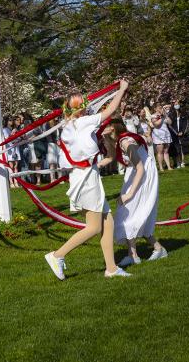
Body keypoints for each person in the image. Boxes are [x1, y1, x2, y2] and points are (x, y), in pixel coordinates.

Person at [44, 80, 130, 280]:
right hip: (86, 178)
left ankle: (111, 268)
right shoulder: (82, 122)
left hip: (86, 175)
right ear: (79, 108)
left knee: (107, 223)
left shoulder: (68, 127)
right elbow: (111, 110)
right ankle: (58, 255)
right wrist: (122, 89)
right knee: (94, 227)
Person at [109, 120, 167, 266]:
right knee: (127, 212)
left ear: (111, 128)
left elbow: (140, 167)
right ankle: (138, 253)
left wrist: (130, 194)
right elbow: (111, 157)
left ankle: (136, 254)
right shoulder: (121, 140)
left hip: (143, 175)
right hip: (136, 173)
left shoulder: (125, 142)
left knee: (129, 211)